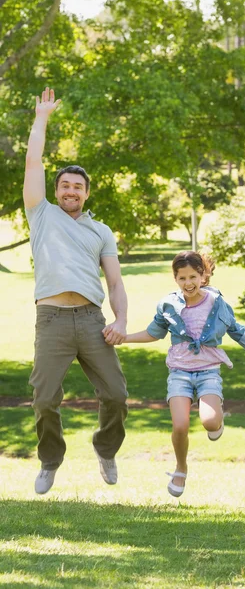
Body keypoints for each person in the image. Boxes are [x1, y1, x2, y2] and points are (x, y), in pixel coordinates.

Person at [23, 88, 128, 494]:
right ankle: (50, 460)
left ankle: (105, 449)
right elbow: (33, 161)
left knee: (117, 395)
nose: (70, 191)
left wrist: (120, 319)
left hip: (90, 319)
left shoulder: (100, 231)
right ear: (56, 189)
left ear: (87, 193)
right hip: (51, 319)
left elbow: (115, 282)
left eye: (77, 187)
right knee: (45, 399)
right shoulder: (41, 214)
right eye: (64, 185)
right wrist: (42, 118)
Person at [122, 251, 245, 497]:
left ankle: (217, 420)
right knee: (180, 425)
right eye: (182, 278)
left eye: (193, 276)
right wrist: (124, 338)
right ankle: (180, 468)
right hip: (179, 371)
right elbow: (153, 332)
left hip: (208, 372)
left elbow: (235, 329)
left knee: (210, 422)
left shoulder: (216, 303)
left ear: (203, 276)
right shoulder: (168, 305)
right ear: (175, 279)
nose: (188, 283)